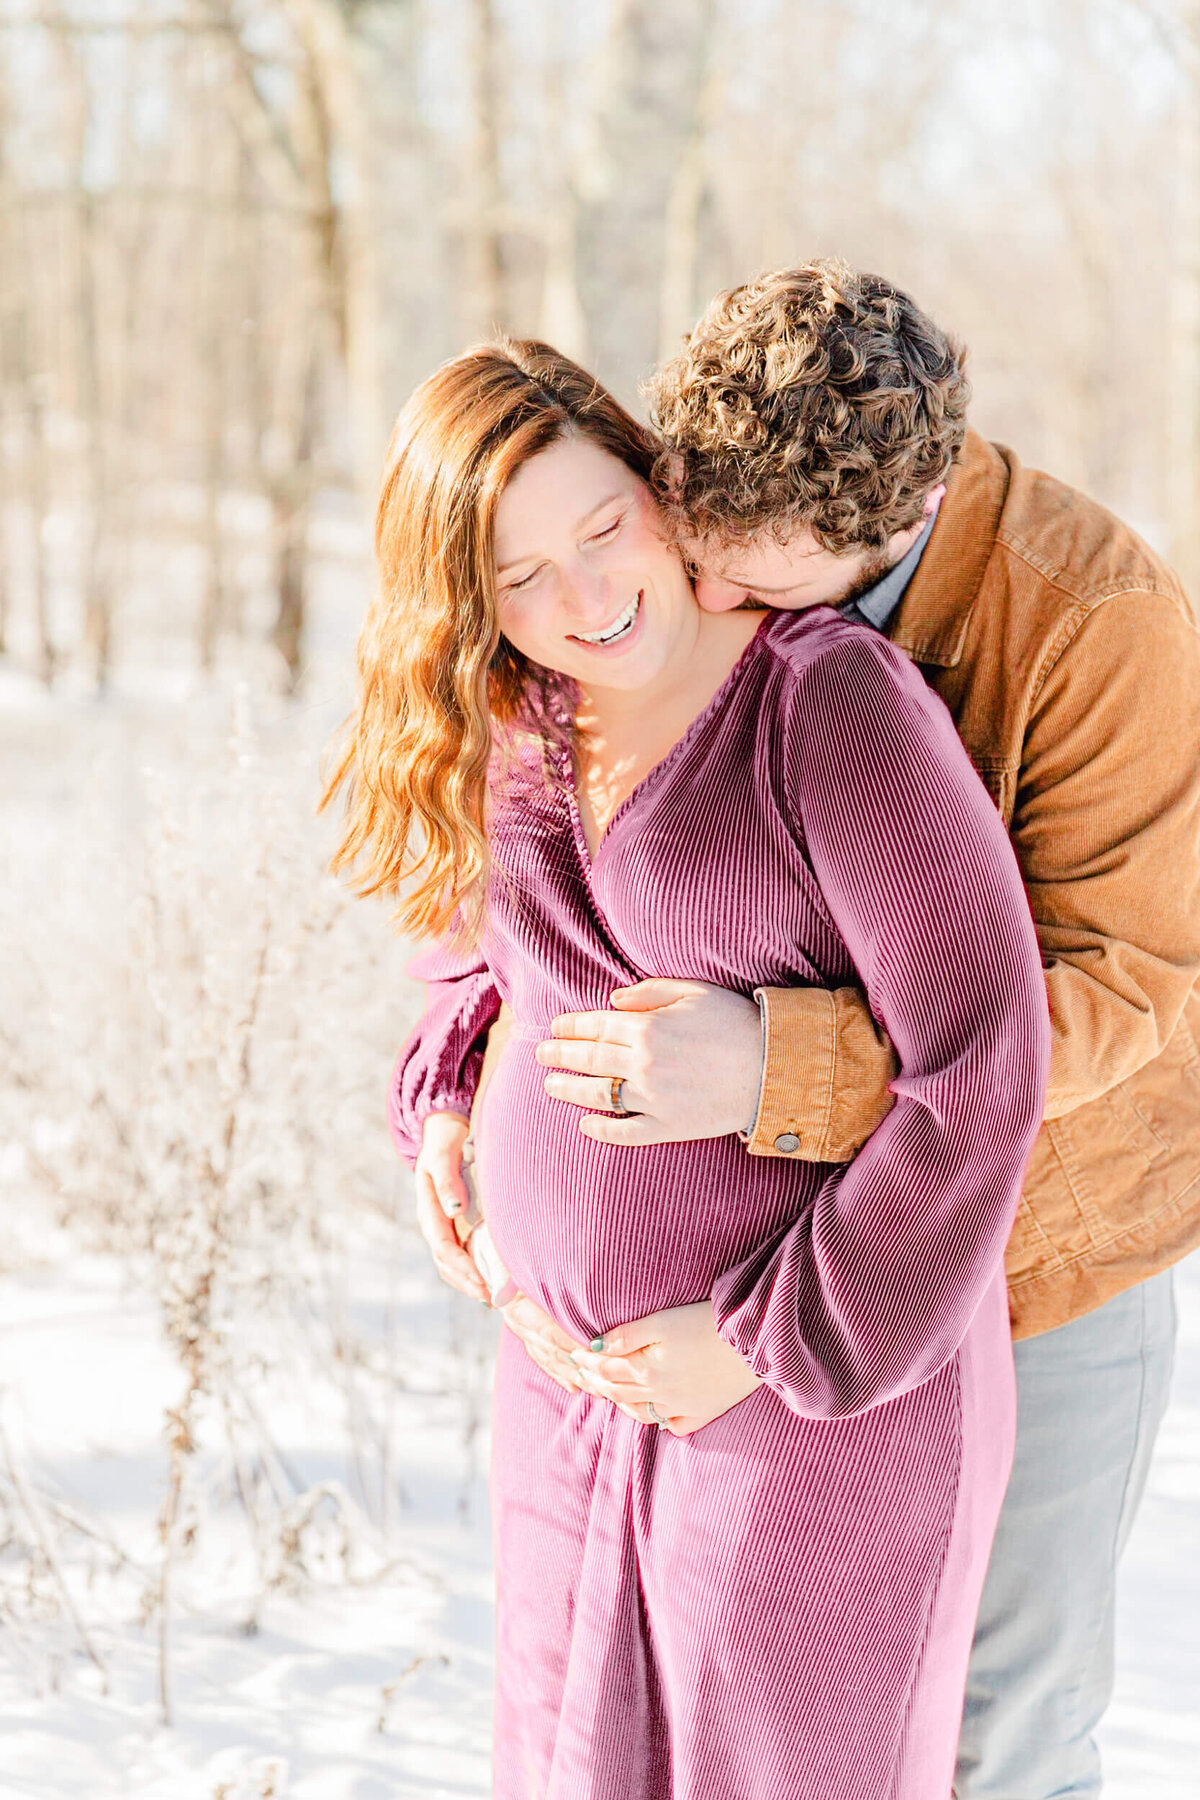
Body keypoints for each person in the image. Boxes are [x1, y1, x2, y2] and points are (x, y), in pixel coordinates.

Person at [444, 264, 1199, 1799]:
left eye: (751, 580)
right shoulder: (717, 516)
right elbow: (537, 919)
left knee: (998, 1727)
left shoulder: (1088, 618)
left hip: (1051, 1240)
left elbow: (1128, 980)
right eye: (685, 531)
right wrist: (461, 1087)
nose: (691, 594)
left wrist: (778, 1067)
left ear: (890, 521)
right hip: (775, 1280)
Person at [327, 336, 1049, 1798]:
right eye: (520, 576)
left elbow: (986, 1062)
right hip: (571, 1402)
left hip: (805, 1401)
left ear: (662, 486)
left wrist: (759, 1342)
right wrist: (450, 1114)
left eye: (603, 528)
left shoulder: (825, 707)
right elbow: (477, 969)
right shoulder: (524, 725)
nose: (585, 601)